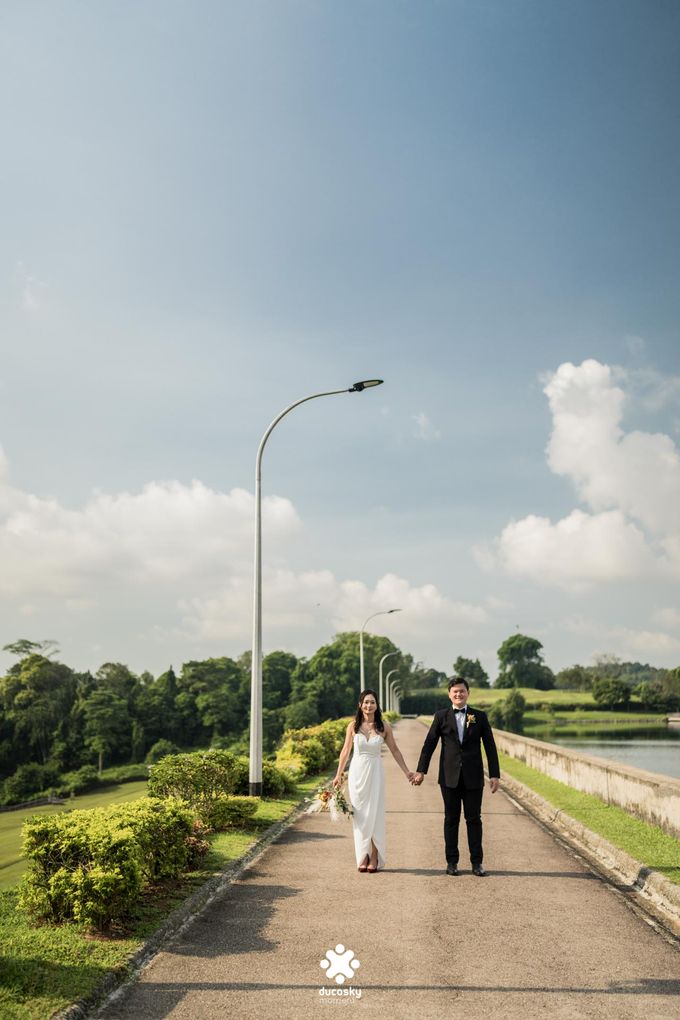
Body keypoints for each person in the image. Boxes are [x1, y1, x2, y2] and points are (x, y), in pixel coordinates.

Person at [412, 676, 500, 876]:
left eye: (462, 691)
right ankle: (452, 863)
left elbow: (490, 746)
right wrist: (421, 771)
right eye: (455, 692)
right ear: (449, 694)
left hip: (473, 777)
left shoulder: (479, 716)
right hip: (449, 777)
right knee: (451, 820)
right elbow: (429, 744)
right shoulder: (441, 716)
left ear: (468, 693)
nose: (459, 694)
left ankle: (477, 863)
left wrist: (494, 774)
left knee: (473, 819)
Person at [333, 689, 415, 872]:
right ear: (360, 705)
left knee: (375, 814)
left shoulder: (383, 727)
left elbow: (395, 750)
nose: (369, 705)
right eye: (366, 702)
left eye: (372, 702)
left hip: (376, 773)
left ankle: (375, 855)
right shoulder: (352, 726)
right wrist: (338, 774)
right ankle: (363, 854)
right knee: (361, 815)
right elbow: (345, 751)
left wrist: (407, 772)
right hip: (357, 774)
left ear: (377, 705)